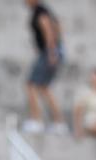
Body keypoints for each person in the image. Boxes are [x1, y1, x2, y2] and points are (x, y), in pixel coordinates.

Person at [23, 0, 65, 132]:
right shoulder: (44, 10)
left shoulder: (40, 11)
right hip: (51, 51)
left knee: (31, 85)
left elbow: (48, 30)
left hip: (49, 53)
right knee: (43, 87)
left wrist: (51, 51)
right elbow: (58, 27)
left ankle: (37, 120)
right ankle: (59, 123)